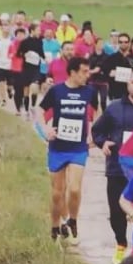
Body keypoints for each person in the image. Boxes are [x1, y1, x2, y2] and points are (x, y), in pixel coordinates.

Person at [92, 69, 133, 264]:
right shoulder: (114, 108)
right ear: (128, 84)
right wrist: (102, 143)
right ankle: (120, 244)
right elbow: (97, 130)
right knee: (117, 210)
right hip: (117, 168)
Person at [35, 56, 94, 243]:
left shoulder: (90, 92)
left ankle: (72, 221)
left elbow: (98, 112)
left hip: (78, 148)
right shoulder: (57, 91)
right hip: (58, 147)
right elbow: (39, 110)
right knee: (57, 192)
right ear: (73, 72)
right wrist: (45, 129)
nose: (87, 75)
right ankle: (55, 224)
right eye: (84, 72)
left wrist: (93, 133)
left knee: (75, 189)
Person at [101, 32, 133, 102]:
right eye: (121, 42)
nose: (123, 44)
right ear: (118, 43)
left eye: (125, 42)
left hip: (130, 96)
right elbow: (105, 73)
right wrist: (110, 73)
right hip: (115, 95)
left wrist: (117, 73)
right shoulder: (111, 58)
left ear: (129, 43)